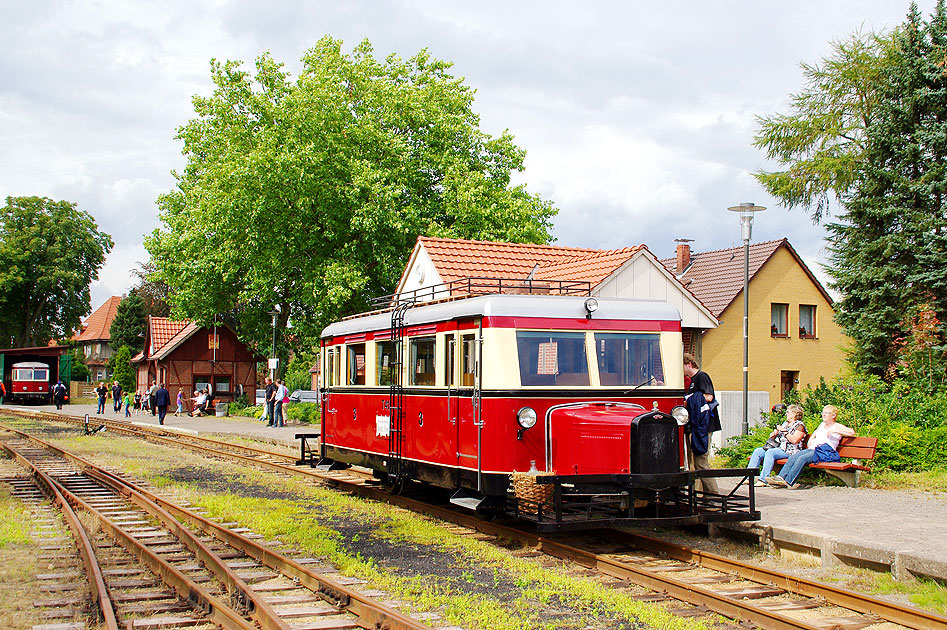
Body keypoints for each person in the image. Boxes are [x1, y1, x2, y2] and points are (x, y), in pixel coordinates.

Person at [769, 405, 856, 488]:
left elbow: (852, 432)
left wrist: (836, 430)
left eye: (826, 413)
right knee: (794, 457)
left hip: (825, 451)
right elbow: (815, 432)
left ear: (833, 415)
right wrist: (811, 440)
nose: (824, 415)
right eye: (823, 413)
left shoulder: (837, 426)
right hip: (813, 449)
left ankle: (787, 481)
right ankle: (780, 478)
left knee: (801, 459)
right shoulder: (822, 424)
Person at [683, 353, 721, 494]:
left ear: (689, 364)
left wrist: (690, 399)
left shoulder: (701, 377)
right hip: (697, 425)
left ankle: (713, 495)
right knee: (696, 462)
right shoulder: (692, 380)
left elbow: (709, 397)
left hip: (703, 426)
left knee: (701, 461)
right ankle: (702, 495)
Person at [749, 404, 807, 486]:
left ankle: (763, 479)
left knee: (770, 453)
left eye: (788, 412)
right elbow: (778, 439)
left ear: (794, 414)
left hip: (790, 451)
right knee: (758, 451)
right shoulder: (785, 424)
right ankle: (748, 477)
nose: (786, 414)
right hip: (779, 448)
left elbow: (794, 440)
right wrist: (773, 435)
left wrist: (784, 431)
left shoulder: (800, 426)